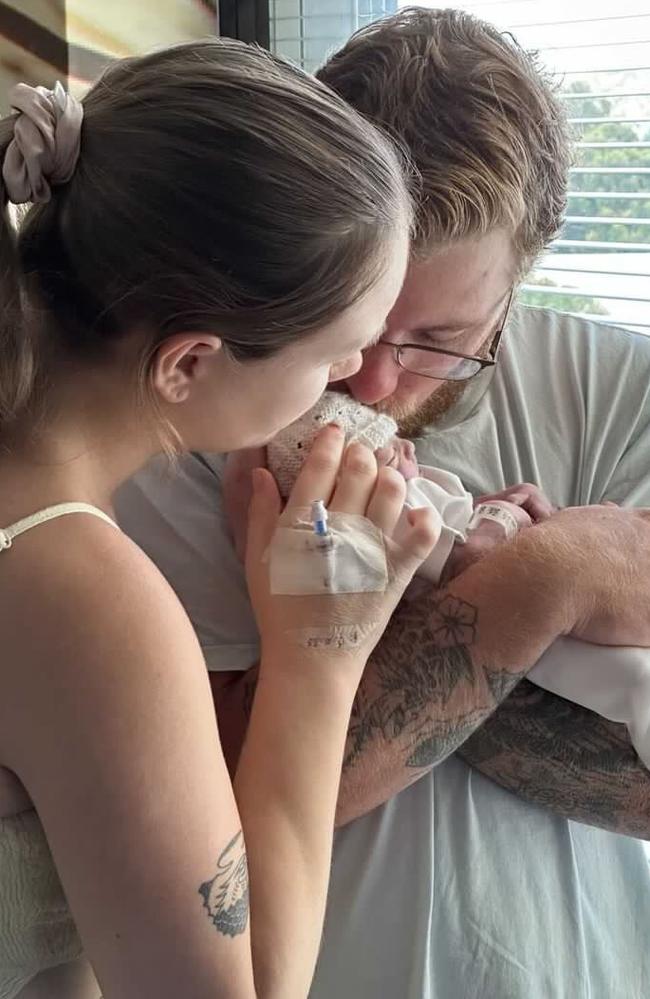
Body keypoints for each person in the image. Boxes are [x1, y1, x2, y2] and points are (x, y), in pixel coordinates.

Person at [116, 9, 650, 999]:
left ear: (523, 271)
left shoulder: (621, 390)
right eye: (351, 315)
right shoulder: (210, 405)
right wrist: (550, 581)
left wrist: (369, 633)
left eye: (439, 336)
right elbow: (207, 797)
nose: (368, 383)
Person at [0, 37, 445, 999]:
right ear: (189, 364)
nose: (356, 383)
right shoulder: (87, 600)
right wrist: (320, 654)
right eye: (335, 353)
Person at [265, 388, 650, 770]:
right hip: (525, 615)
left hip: (541, 592)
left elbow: (464, 521)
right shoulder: (370, 514)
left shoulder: (413, 489)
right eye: (389, 446)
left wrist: (516, 516)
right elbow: (462, 557)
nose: (407, 449)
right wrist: (523, 535)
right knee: (628, 678)